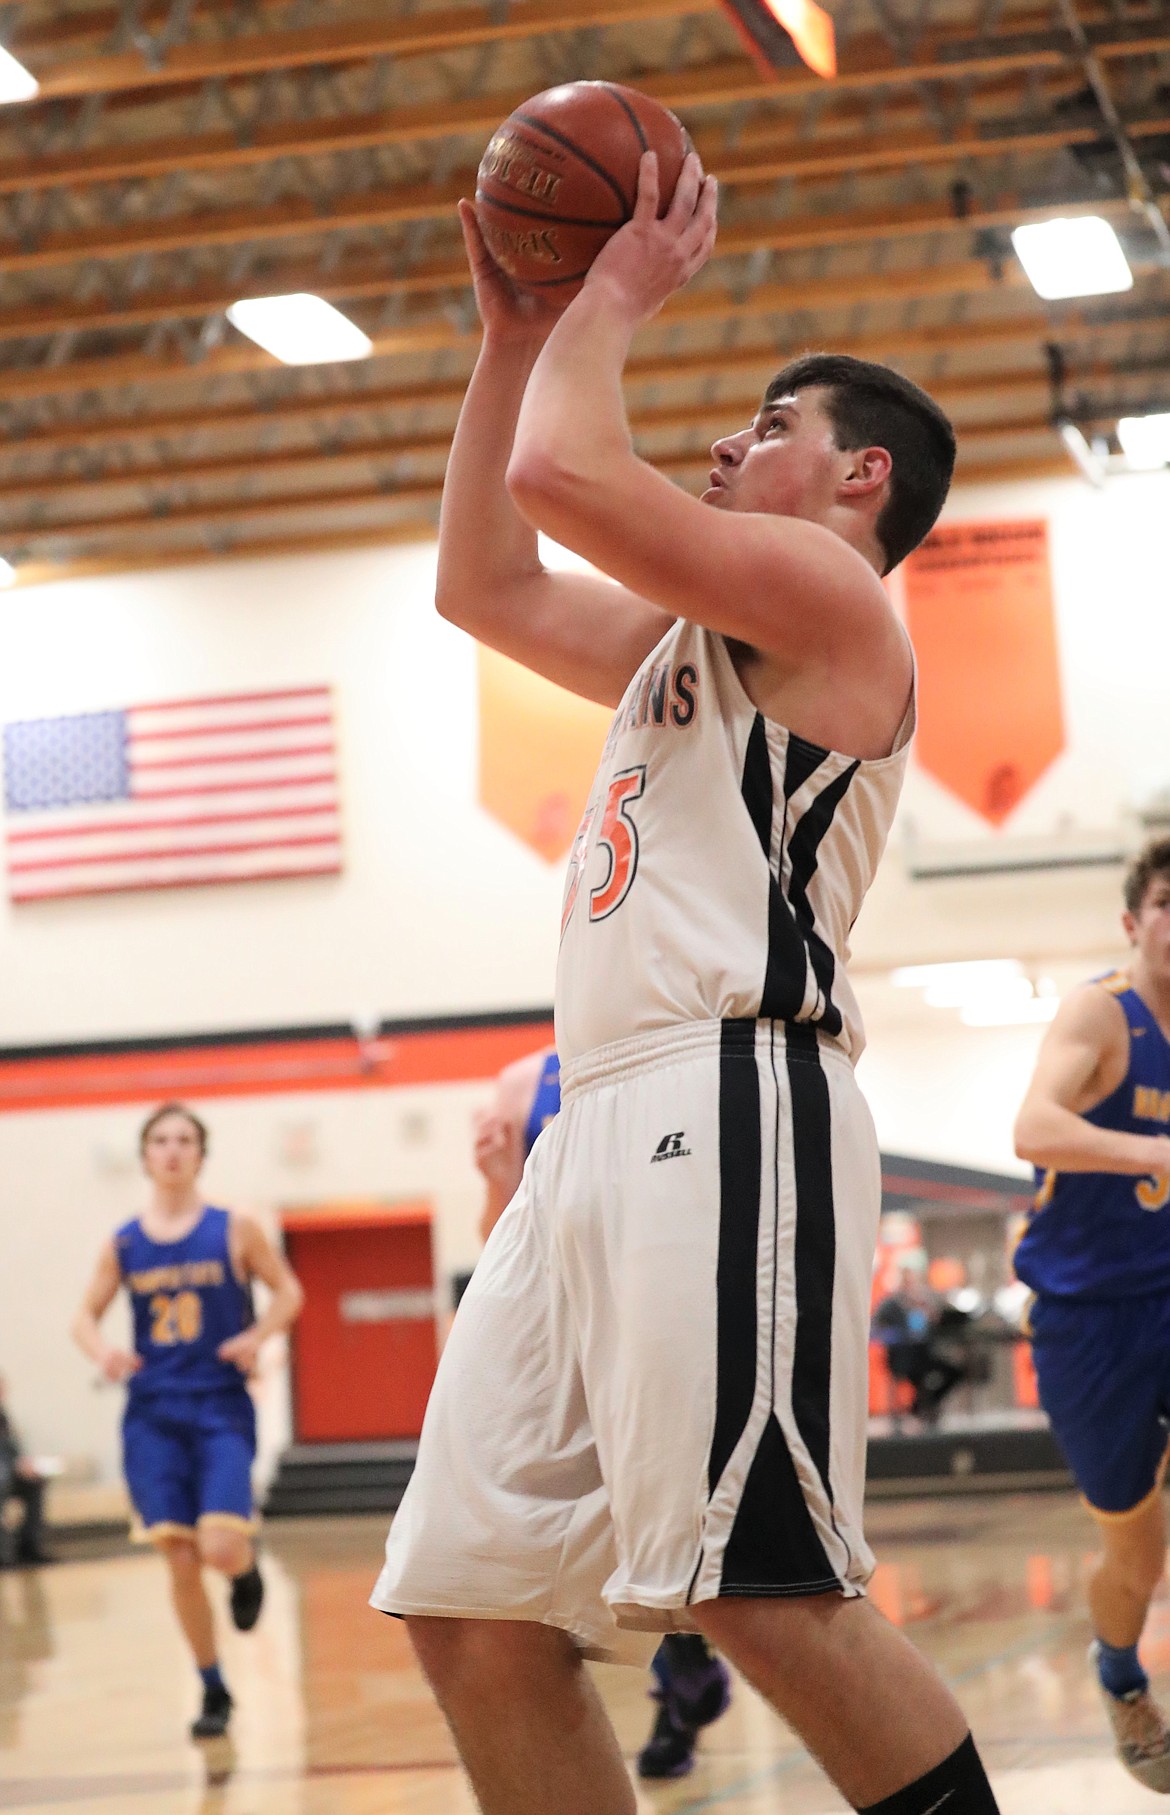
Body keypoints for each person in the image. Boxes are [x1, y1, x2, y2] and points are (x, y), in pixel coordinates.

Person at [371, 151, 998, 1815]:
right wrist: (516, 330)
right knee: (476, 1611)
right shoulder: (688, 644)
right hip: (597, 1127)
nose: (728, 442)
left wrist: (612, 298)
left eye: (769, 426)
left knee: (760, 1586)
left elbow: (568, 475)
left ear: (861, 476)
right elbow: (482, 583)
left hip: (732, 1101)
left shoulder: (835, 597)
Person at [474, 1044, 732, 1779]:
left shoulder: (681, 1048)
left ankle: (684, 1668)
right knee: (584, 1511)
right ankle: (680, 1665)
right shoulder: (520, 1081)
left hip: (668, 1305)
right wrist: (497, 1180)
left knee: (662, 1504)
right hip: (565, 1322)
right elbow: (499, 1242)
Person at [1014, 837, 1170, 1793]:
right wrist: (1156, 1152)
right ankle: (1118, 1674)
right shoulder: (1101, 1013)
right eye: (1166, 901)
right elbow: (1033, 1129)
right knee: (1134, 1545)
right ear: (1134, 923)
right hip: (1090, 1316)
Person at [72, 1101, 303, 1740]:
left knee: (220, 1546)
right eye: (160, 1140)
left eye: (184, 1140)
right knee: (178, 1558)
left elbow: (290, 1292)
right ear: (145, 1156)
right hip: (152, 1412)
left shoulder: (235, 1228)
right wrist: (105, 1353)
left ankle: (246, 1568)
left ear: (201, 1154)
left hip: (220, 1404)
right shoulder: (125, 1242)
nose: (172, 1150)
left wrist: (258, 1333)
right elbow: (82, 1318)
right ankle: (211, 1687)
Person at [0, 1374, 52, 1567]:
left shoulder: (3, 1416)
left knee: (34, 1485)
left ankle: (28, 1548)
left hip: (8, 1472)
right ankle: (3, 1554)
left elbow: (12, 1448)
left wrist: (23, 1464)